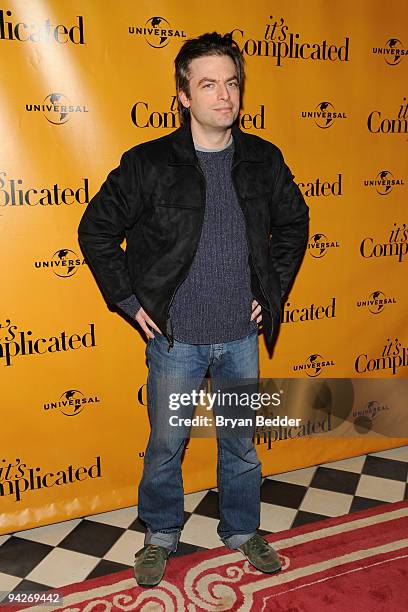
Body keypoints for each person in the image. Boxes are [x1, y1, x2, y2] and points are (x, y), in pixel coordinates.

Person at [78, 32, 309, 588]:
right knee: (166, 444)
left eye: (231, 83)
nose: (223, 96)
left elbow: (295, 224)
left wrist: (270, 291)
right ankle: (160, 534)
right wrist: (131, 303)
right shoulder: (148, 163)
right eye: (208, 84)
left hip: (239, 337)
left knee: (240, 440)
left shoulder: (263, 158)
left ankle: (242, 529)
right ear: (184, 95)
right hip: (176, 337)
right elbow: (97, 229)